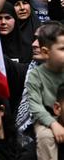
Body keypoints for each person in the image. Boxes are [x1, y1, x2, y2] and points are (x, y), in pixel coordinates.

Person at [27, 20, 64, 159]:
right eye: (61, 49)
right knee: (45, 137)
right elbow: (35, 106)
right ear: (45, 52)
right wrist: (53, 123)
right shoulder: (35, 76)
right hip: (46, 118)